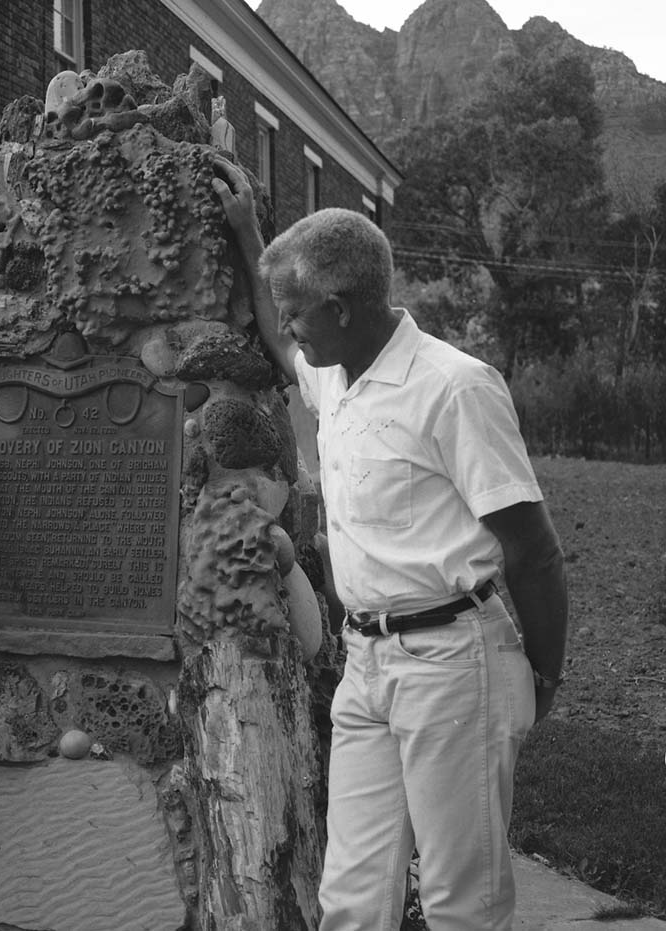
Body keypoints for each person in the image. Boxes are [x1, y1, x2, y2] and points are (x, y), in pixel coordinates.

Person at [213, 161, 568, 930]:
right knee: (352, 899)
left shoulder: (455, 387)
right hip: (365, 665)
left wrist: (545, 673)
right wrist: (247, 234)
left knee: (458, 902)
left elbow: (533, 550)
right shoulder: (335, 374)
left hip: (453, 664)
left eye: (300, 311)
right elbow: (282, 340)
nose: (290, 327)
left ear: (339, 308)